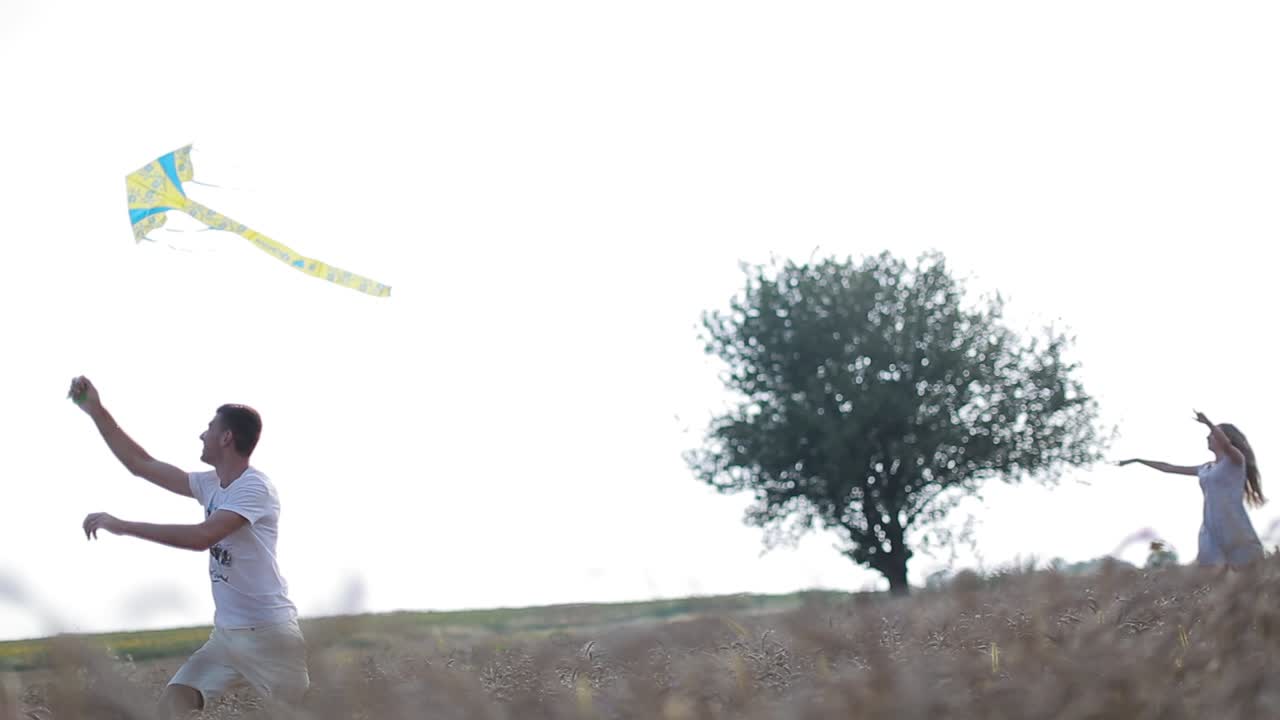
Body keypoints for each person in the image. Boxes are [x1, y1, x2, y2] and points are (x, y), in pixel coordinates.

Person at [69, 376, 309, 717]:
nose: (202, 434)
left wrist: (122, 526)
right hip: (226, 639)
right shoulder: (212, 484)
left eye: (210, 427)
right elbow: (141, 465)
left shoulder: (255, 489)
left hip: (271, 638)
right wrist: (95, 410)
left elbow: (202, 537)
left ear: (226, 437)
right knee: (171, 707)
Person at [1119, 409, 1266, 568]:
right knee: (1212, 575)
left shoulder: (1235, 461)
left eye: (1213, 434)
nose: (1208, 436)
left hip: (1234, 524)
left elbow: (1227, 445)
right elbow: (1168, 468)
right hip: (1211, 528)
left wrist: (1208, 423)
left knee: (1247, 571)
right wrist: (1138, 460)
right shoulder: (1205, 468)